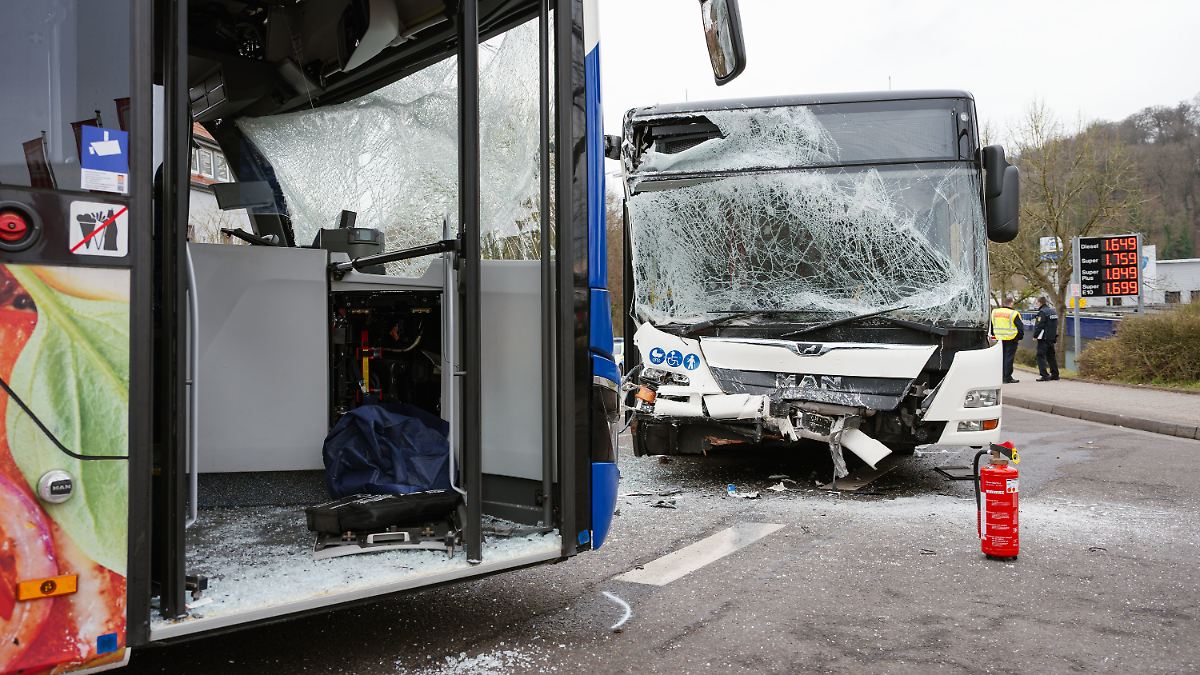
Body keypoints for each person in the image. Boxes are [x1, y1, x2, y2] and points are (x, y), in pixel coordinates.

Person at [990, 296, 1024, 383]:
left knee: (1001, 358)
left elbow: (992, 324)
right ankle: (1007, 377)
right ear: (1011, 303)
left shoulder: (995, 312)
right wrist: (1019, 337)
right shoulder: (1014, 313)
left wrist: (995, 334)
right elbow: (1020, 327)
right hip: (1011, 338)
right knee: (1009, 358)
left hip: (999, 338)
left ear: (1003, 303)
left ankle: (1000, 376)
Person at [1033, 296, 1059, 381]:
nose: (1036, 304)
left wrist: (1035, 336)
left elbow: (1039, 326)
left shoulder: (1042, 312)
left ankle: (1044, 375)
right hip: (1051, 338)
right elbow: (1055, 325)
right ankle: (1055, 374)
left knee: (1040, 356)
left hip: (1044, 338)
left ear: (1040, 303)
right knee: (1051, 356)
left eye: (1037, 303)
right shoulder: (1053, 311)